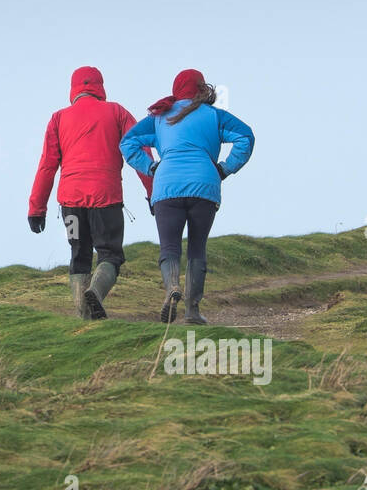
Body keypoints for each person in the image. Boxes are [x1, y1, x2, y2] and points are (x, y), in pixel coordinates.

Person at [120, 69, 254, 325]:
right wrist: (225, 168)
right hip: (204, 186)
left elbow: (128, 143)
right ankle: (192, 311)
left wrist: (150, 167)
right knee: (196, 248)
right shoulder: (214, 115)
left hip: (167, 186)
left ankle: (172, 287)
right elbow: (246, 137)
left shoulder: (159, 118)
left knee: (169, 246)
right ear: (201, 88)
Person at [28, 66, 154, 320]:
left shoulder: (58, 118)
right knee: (110, 254)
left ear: (73, 89)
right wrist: (154, 192)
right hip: (105, 200)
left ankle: (83, 318)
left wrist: (36, 208)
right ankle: (95, 292)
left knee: (79, 252)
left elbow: (47, 165)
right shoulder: (117, 112)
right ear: (100, 86)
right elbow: (140, 153)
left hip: (70, 205)